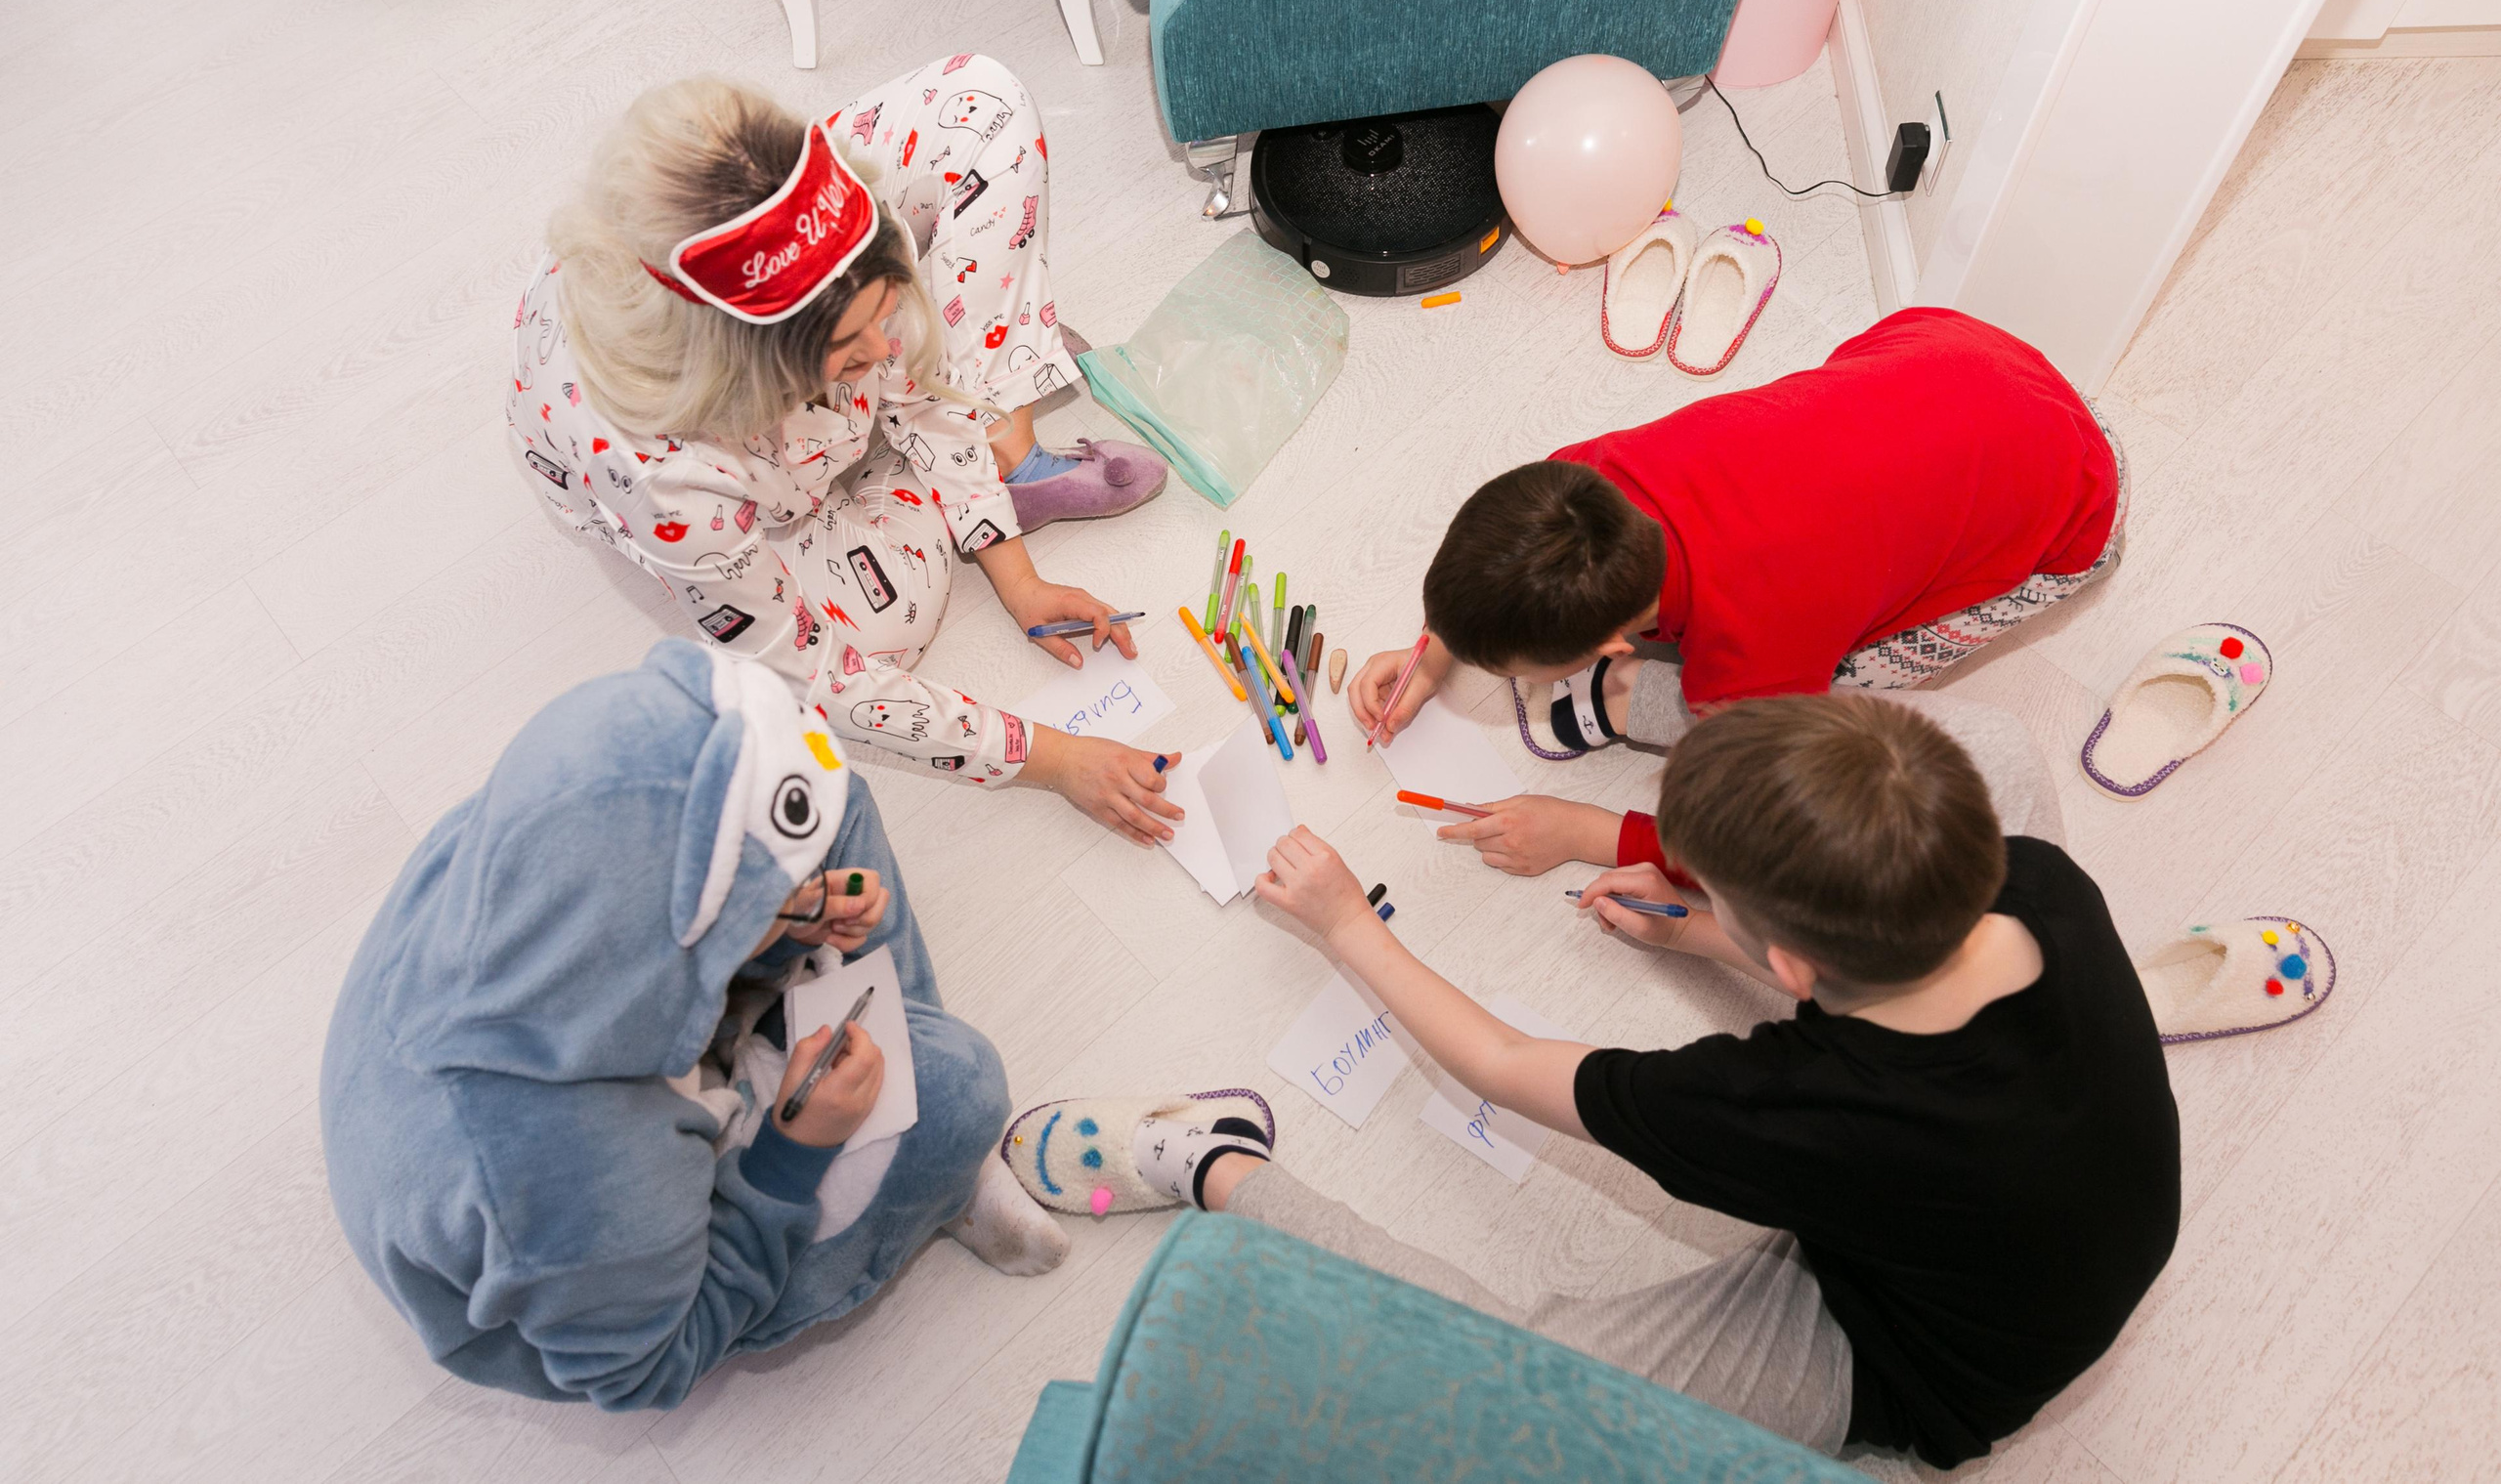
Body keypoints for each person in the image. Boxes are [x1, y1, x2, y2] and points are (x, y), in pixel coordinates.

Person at [1005, 695, 2180, 1468]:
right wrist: (1720, 938)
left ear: (1791, 968)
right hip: (2045, 1212)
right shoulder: (2039, 878)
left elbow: (1503, 1063)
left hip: (1925, 1356)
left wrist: (1345, 924)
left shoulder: (1788, 1108)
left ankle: (1213, 1163)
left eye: (1718, 900)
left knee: (1515, 1391)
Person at [319, 640, 1067, 1410]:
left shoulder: (540, 824)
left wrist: (789, 918)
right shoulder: (575, 1181)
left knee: (832, 801)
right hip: (613, 1268)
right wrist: (791, 1154)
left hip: (594, 1073)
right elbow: (648, 1367)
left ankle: (884, 1071)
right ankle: (944, 1170)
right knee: (958, 1091)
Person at [510, 54, 1186, 845]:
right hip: (742, 484)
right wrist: (1057, 757)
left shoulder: (845, 227)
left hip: (784, 379)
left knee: (982, 107)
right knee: (871, 640)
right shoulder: (667, 475)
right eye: (850, 350)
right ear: (752, 382)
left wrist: (1017, 578)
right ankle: (971, 427)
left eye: (886, 303)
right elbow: (820, 677)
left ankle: (982, 453)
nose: (888, 345)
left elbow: (911, 362)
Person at [1349, 308, 2125, 876]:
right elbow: (1507, 553)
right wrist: (1432, 651)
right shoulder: (1582, 479)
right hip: (1959, 351)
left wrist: (1586, 833)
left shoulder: (1755, 655)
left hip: (2079, 508)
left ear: (1615, 646)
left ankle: (1623, 702)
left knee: (1846, 691)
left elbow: (1754, 840)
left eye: (1515, 670)